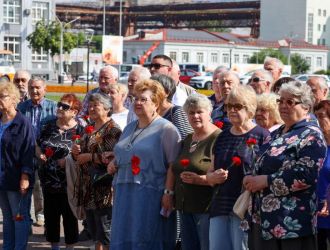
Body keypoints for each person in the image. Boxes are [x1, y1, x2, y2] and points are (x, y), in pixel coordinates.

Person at [243, 81, 327, 250]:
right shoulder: (277, 132)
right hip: (263, 220)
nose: (283, 106)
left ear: (306, 106)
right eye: (280, 101)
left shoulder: (311, 135)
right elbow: (261, 163)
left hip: (291, 225)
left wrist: (267, 181)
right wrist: (250, 177)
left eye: (290, 102)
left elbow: (306, 176)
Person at [108, 79, 181, 249]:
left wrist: (168, 193)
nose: (138, 103)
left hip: (150, 194)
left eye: (144, 99)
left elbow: (173, 165)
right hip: (125, 192)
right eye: (135, 99)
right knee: (124, 236)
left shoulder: (167, 129)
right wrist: (114, 162)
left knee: (147, 237)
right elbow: (125, 151)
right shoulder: (129, 127)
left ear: (156, 103)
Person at [206, 84, 270, 250]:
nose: (232, 110)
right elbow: (210, 171)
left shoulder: (262, 136)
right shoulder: (222, 136)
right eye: (229, 106)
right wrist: (212, 177)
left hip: (245, 207)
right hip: (220, 205)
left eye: (237, 106)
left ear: (249, 109)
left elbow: (267, 171)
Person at [72, 93, 122, 250]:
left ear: (107, 109)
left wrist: (89, 156)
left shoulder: (113, 130)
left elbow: (112, 158)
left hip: (104, 189)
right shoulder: (90, 128)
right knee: (95, 233)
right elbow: (79, 156)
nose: (91, 108)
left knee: (105, 232)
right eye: (90, 105)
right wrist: (75, 152)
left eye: (96, 105)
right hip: (89, 187)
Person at [172, 94, 221, 250]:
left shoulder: (218, 137)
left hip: (206, 207)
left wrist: (200, 179)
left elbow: (222, 174)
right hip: (185, 206)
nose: (195, 116)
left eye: (199, 111)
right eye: (191, 113)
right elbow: (174, 166)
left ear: (209, 113)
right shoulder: (188, 139)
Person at [37, 94, 84, 250]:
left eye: (65, 107)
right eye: (59, 105)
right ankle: (54, 247)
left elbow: (85, 153)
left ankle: (70, 247)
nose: (59, 108)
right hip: (48, 182)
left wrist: (69, 159)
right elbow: (37, 144)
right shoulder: (48, 125)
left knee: (70, 218)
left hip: (69, 182)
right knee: (51, 218)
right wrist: (39, 154)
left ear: (74, 112)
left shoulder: (81, 129)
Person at [18, 76, 57, 227]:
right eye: (32, 87)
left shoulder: (53, 107)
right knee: (25, 185)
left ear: (45, 89)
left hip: (46, 153)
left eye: (38, 87)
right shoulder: (21, 107)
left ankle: (41, 214)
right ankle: (25, 219)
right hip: (26, 152)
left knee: (41, 186)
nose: (34, 90)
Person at [0, 82, 35, 249]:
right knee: (7, 218)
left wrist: (25, 176)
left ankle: (19, 247)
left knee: (19, 217)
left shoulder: (23, 123)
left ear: (13, 99)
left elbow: (28, 151)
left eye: (2, 97)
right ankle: (8, 247)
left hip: (17, 178)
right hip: (1, 179)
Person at [151, 73, 193, 139]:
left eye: (153, 89)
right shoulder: (151, 111)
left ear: (166, 93)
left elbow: (186, 140)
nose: (149, 93)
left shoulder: (177, 111)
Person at [314, 100, 330, 250]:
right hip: (314, 213)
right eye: (316, 116)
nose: (317, 121)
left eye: (321, 116)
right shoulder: (316, 145)